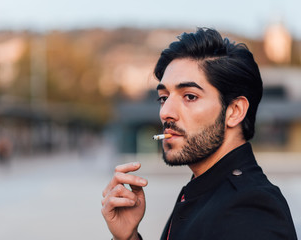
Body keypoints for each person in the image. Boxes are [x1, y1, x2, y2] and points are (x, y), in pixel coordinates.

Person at [101, 28, 297, 240]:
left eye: (190, 96)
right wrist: (128, 237)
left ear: (235, 111)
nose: (165, 112)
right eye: (163, 97)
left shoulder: (251, 210)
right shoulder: (204, 191)